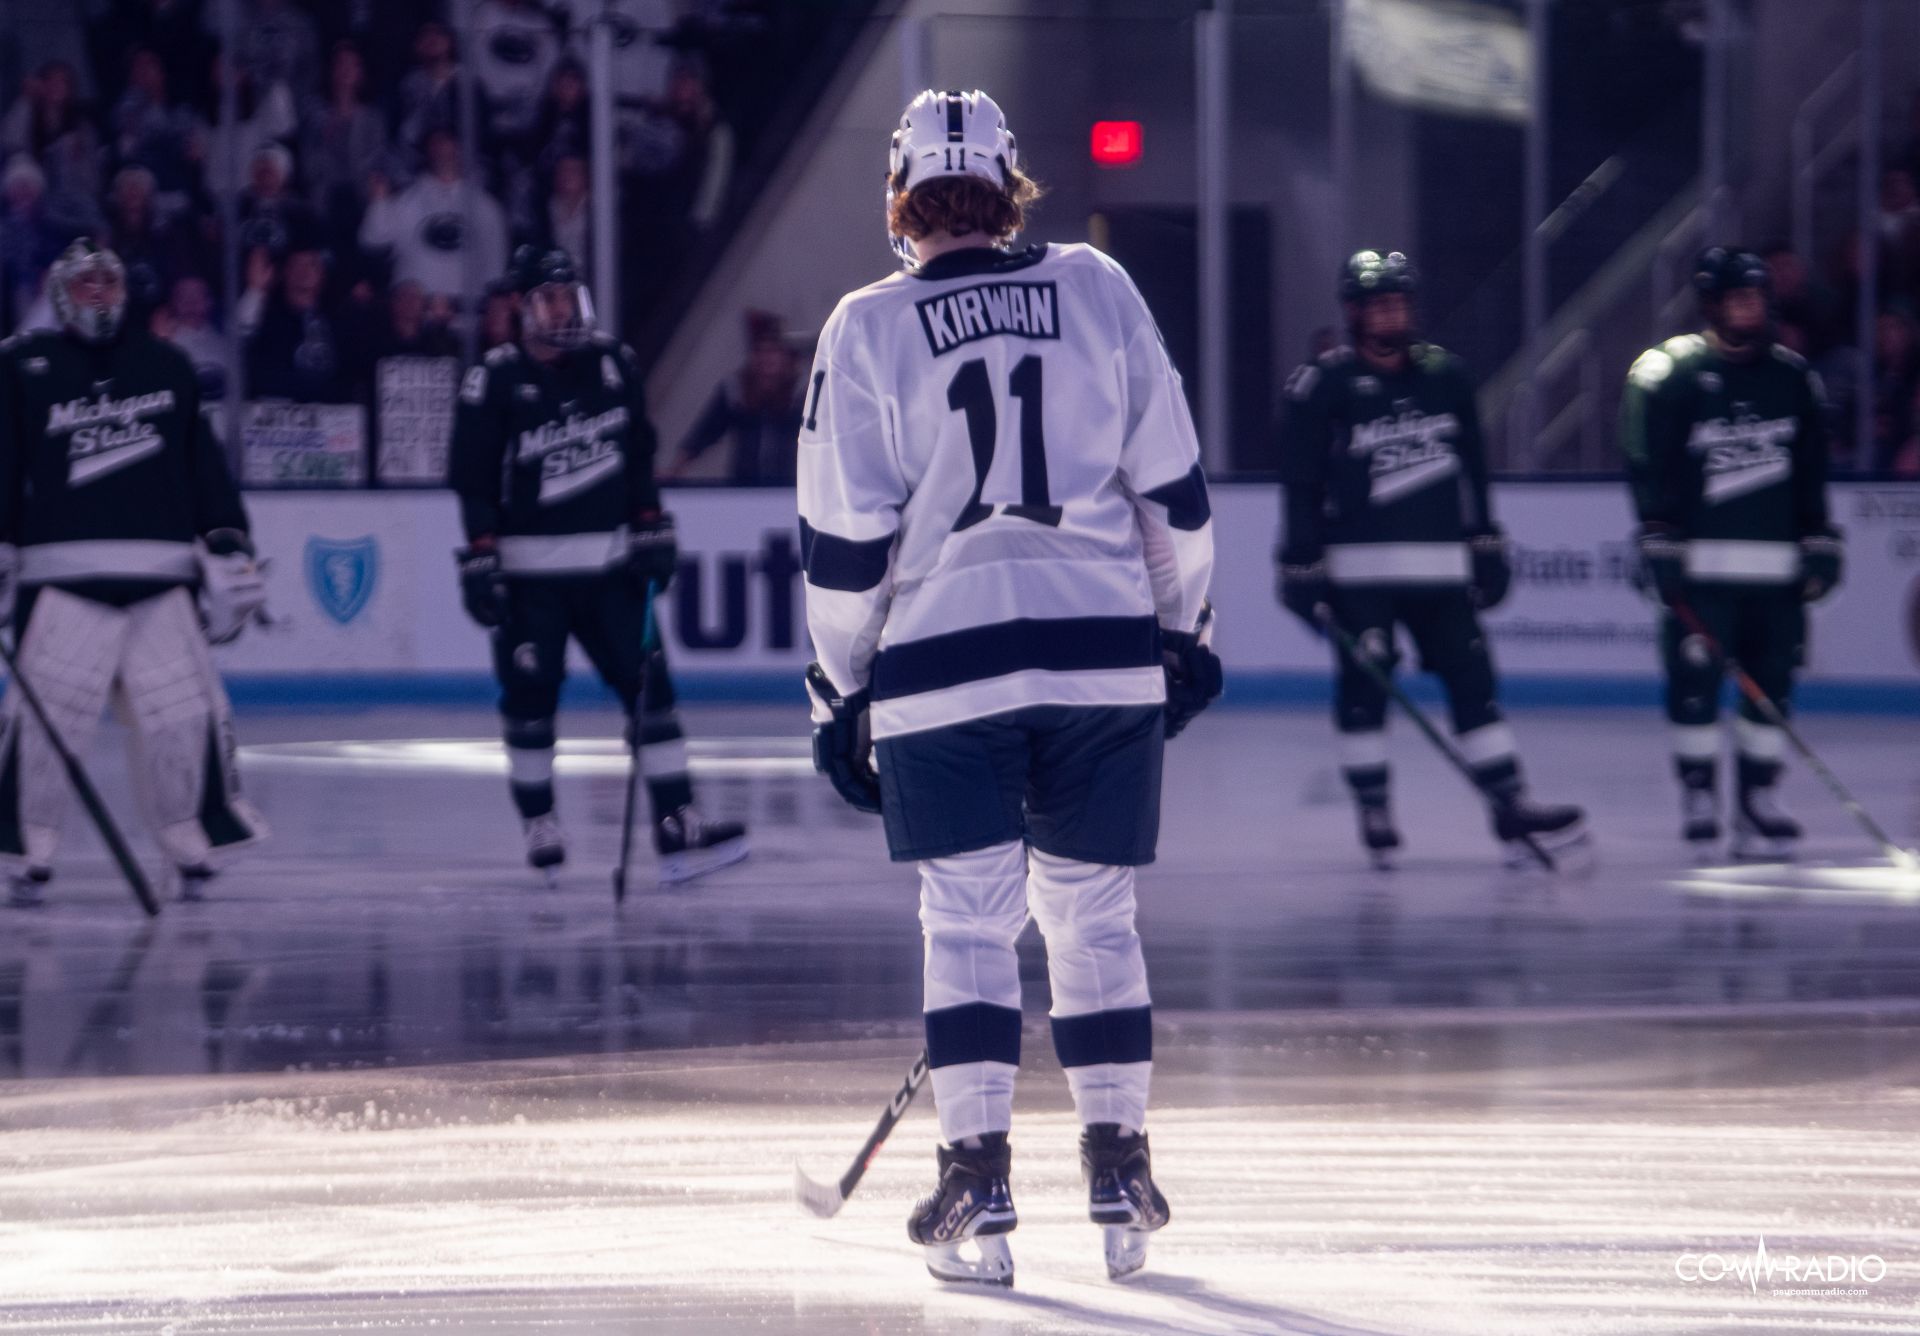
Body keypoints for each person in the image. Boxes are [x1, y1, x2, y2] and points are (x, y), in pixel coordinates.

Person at [799, 90, 1220, 1288]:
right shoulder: (1098, 286)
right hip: (1097, 660)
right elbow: (1173, 494)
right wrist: (1180, 631)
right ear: (1009, 183)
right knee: (1094, 920)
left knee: (969, 924)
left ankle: (978, 1189)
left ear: (900, 199)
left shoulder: (865, 325)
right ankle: (1118, 1173)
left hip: (946, 674)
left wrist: (840, 692)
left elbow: (845, 549)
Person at [1275, 250, 1587, 868]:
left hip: (1443, 569)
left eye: (1401, 302)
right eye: (1380, 304)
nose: (1393, 315)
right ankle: (1374, 805)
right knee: (1367, 684)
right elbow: (1301, 481)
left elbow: (1473, 469)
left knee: (1474, 681)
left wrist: (1487, 542)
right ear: (1356, 313)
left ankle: (1509, 801)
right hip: (1358, 572)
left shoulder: (1448, 377)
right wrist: (1299, 559)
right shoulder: (1322, 387)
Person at [449, 246, 747, 885]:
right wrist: (481, 556)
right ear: (522, 308)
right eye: (550, 297)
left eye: (569, 294)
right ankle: (541, 822)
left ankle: (678, 820)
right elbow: (473, 483)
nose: (564, 308)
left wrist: (650, 524)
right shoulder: (493, 381)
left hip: (612, 571)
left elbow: (639, 456)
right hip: (531, 582)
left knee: (653, 693)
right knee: (532, 697)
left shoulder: (615, 363)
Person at [0, 240, 268, 906]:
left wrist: (229, 539)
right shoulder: (21, 366)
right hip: (60, 575)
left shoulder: (167, 363)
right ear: (62, 293)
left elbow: (201, 464)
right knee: (45, 724)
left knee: (182, 717)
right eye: (85, 285)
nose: (98, 295)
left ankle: (193, 840)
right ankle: (24, 848)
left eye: (107, 284)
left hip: (161, 572)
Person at [1619, 247, 1841, 859]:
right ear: (1712, 305)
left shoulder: (1792, 377)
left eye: (1757, 297)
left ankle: (1758, 793)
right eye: (1738, 298)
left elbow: (1811, 473)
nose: (1751, 308)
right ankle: (1698, 791)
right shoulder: (1672, 374)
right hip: (1701, 570)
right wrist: (1656, 532)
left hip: (1775, 570)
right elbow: (1647, 464)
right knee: (1693, 679)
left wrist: (1820, 537)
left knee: (1771, 683)